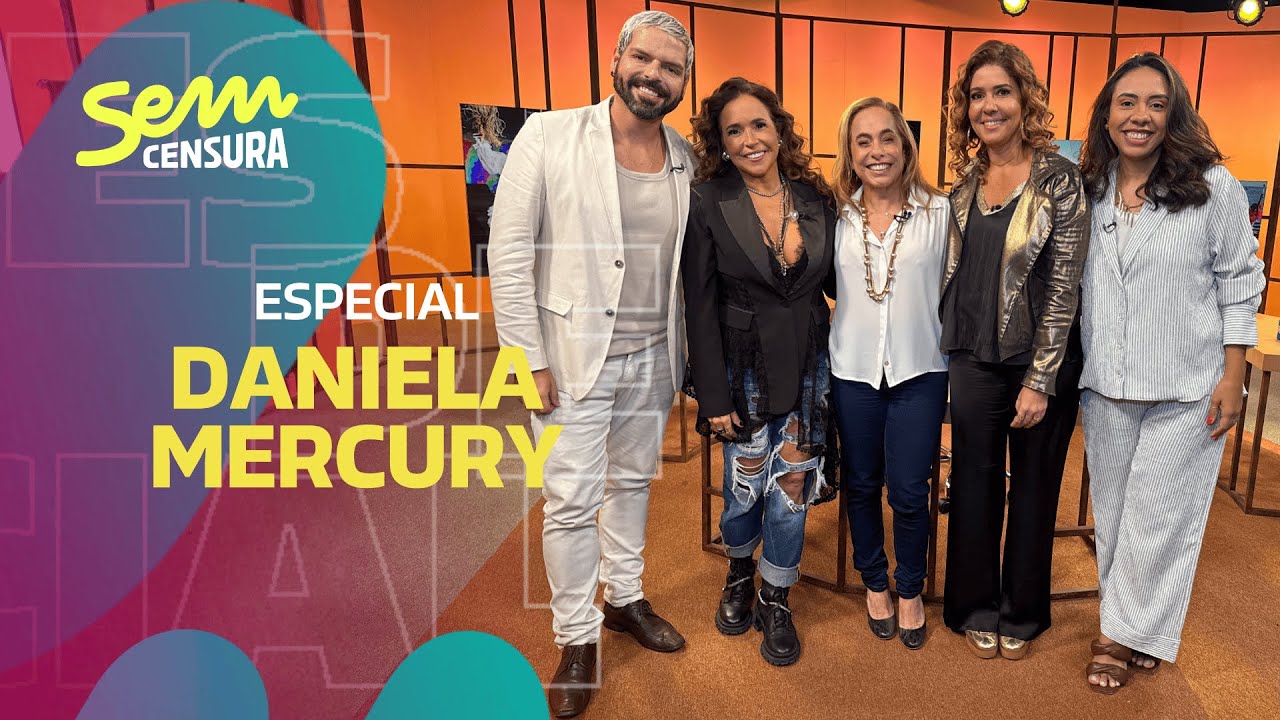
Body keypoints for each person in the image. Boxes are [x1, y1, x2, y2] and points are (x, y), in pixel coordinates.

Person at [487, 11, 694, 718]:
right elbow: (510, 254)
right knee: (571, 502)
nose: (654, 75)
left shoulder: (684, 156)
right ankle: (576, 637)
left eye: (670, 68)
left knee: (632, 484)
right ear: (617, 58)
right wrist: (527, 360)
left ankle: (624, 599)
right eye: (644, 59)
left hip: (654, 357)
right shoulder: (549, 135)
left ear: (683, 83)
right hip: (571, 359)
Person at [1076, 52, 1264, 694]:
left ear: (1174, 114)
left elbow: (1240, 281)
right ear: (1107, 114)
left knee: (1159, 517)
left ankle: (1116, 637)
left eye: (1156, 104)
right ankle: (1142, 630)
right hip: (1107, 383)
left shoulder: (1213, 187)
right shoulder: (1090, 187)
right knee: (1117, 517)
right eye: (1127, 102)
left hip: (1188, 386)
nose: (1140, 116)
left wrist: (1233, 375)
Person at [939, 40, 1090, 661]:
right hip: (973, 360)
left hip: (1041, 365)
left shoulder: (1061, 179)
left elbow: (1064, 286)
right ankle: (973, 605)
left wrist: (1040, 378)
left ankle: (1022, 611)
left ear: (1025, 99)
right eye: (977, 95)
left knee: (1034, 489)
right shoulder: (963, 185)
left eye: (1001, 91)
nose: (989, 105)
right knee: (974, 486)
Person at [682, 76, 836, 667]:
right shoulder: (707, 200)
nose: (750, 139)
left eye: (759, 125)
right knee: (745, 484)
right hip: (741, 370)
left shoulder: (815, 196)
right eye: (734, 131)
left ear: (779, 129)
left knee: (793, 485)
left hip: (810, 366)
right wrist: (712, 394)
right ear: (720, 143)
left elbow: (838, 280)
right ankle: (739, 572)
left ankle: (776, 595)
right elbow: (698, 304)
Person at [827, 97, 949, 650]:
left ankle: (910, 588)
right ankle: (874, 580)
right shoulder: (835, 215)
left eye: (887, 138)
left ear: (905, 145)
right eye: (863, 141)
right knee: (860, 483)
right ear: (850, 153)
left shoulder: (940, 213)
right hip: (852, 370)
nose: (877, 151)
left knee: (908, 490)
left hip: (920, 370)